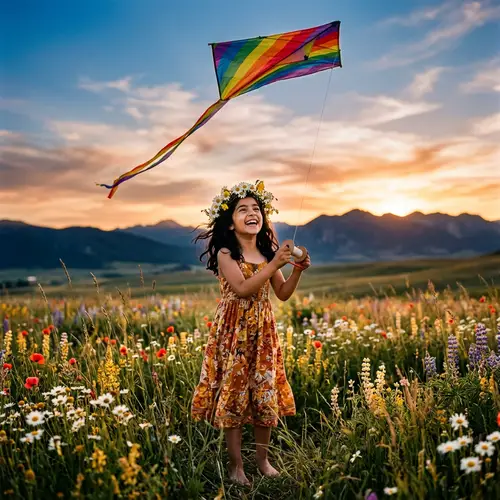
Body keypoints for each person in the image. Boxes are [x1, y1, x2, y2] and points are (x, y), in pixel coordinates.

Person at [191, 180, 311, 486]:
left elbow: (281, 293)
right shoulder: (226, 254)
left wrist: (295, 269)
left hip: (263, 334)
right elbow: (243, 289)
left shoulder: (266, 252)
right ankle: (236, 466)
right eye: (242, 209)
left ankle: (262, 460)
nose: (250, 212)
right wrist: (274, 263)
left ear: (263, 217)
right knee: (234, 396)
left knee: (263, 395)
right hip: (234, 334)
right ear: (230, 223)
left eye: (256, 208)